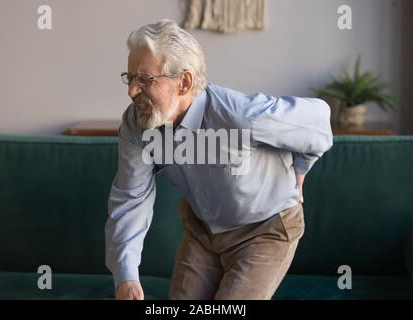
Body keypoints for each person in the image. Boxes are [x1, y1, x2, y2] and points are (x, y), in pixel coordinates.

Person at [105, 19, 333, 300]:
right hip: (202, 231)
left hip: (265, 231)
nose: (131, 91)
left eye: (145, 79)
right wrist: (125, 276)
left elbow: (318, 121)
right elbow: (132, 196)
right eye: (130, 78)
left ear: (184, 82)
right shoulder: (137, 124)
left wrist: (300, 171)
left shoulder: (240, 115)